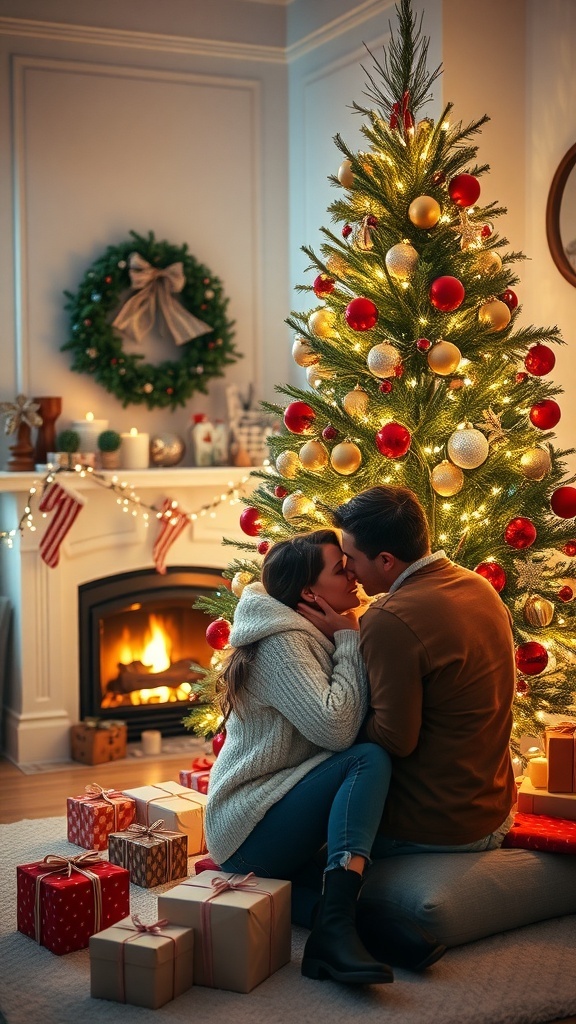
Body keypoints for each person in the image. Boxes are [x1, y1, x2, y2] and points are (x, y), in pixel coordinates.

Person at [204, 529, 394, 985]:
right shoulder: (282, 646)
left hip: (275, 808)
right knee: (368, 758)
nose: (352, 575)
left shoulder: (308, 630)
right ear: (309, 592)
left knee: (385, 929)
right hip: (247, 826)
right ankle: (334, 934)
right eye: (339, 569)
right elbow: (339, 729)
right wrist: (349, 640)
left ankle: (338, 936)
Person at [322, 484, 516, 863]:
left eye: (351, 558)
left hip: (441, 827)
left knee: (294, 851)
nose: (348, 570)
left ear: (386, 561)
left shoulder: (389, 618)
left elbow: (395, 740)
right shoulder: (478, 585)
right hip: (495, 808)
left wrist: (332, 721)